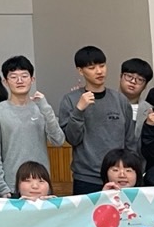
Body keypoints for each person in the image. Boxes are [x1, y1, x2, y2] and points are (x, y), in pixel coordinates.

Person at [57, 46, 139, 195]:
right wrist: (79, 110)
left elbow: (130, 141)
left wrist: (129, 171)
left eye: (102, 66)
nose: (99, 71)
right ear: (80, 71)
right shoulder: (71, 100)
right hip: (86, 178)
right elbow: (73, 139)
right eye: (92, 68)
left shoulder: (120, 100)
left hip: (119, 178)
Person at [0, 56, 64, 199]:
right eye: (13, 77)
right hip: (11, 186)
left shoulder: (41, 108)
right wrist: (2, 186)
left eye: (24, 76)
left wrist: (46, 109)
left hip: (40, 184)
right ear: (5, 81)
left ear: (32, 79)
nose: (20, 80)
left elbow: (58, 141)